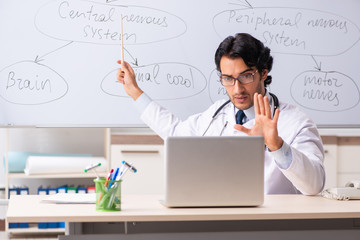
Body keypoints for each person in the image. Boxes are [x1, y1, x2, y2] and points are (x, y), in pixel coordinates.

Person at [117, 33, 325, 195]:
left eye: (245, 76)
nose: (237, 89)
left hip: (273, 224)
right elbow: (175, 133)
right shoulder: (216, 115)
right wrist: (134, 90)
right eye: (227, 78)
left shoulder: (296, 122)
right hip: (222, 219)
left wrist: (276, 145)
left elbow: (314, 184)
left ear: (263, 73)